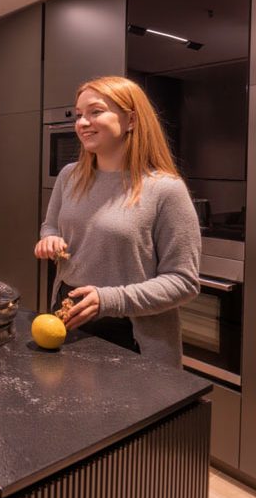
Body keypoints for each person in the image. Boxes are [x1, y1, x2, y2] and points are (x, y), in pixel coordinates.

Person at [34, 75, 200, 368]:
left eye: (95, 112)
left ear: (131, 120)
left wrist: (108, 300)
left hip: (131, 333)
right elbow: (51, 226)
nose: (82, 122)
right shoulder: (69, 176)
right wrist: (49, 238)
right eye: (79, 115)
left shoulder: (165, 189)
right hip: (68, 313)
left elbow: (183, 282)